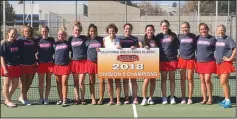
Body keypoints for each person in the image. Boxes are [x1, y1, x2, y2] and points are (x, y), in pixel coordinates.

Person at [156, 20, 179, 105]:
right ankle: (164, 97)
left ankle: (172, 97)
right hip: (162, 60)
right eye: (163, 26)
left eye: (166, 26)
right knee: (163, 79)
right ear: (161, 26)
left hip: (172, 60)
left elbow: (178, 45)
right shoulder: (158, 36)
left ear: (168, 26)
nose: (165, 27)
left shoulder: (173, 35)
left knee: (172, 79)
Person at [215, 24, 236, 108]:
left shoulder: (228, 39)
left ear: (225, 30)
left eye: (222, 30)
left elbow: (235, 48)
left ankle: (228, 101)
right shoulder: (218, 40)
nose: (220, 31)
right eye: (219, 30)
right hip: (219, 64)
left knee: (223, 82)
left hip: (225, 64)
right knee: (225, 83)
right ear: (217, 31)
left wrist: (230, 58)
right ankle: (227, 99)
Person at [196, 23, 216, 105]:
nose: (203, 30)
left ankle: (210, 98)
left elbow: (217, 49)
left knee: (207, 80)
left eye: (204, 29)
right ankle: (204, 98)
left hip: (209, 62)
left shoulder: (212, 39)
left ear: (207, 29)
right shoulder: (197, 38)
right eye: (201, 29)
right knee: (202, 81)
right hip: (199, 62)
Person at [68, 21, 88, 105]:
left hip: (83, 62)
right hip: (74, 62)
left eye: (79, 30)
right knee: (75, 82)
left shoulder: (84, 38)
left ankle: (83, 98)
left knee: (81, 82)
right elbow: (67, 49)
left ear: (81, 30)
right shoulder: (70, 39)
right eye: (76, 30)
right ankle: (77, 98)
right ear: (73, 30)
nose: (77, 31)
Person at [17, 25, 37, 106]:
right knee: (23, 82)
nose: (27, 33)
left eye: (28, 31)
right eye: (25, 31)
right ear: (23, 32)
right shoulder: (19, 40)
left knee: (29, 82)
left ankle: (21, 96)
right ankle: (25, 98)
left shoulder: (33, 40)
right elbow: (11, 43)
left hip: (32, 64)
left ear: (30, 32)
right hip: (22, 64)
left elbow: (35, 51)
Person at [177, 22, 197, 104]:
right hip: (182, 60)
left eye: (186, 27)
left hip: (191, 60)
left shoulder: (193, 36)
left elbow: (196, 47)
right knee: (182, 79)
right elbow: (177, 46)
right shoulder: (179, 36)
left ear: (189, 27)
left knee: (190, 79)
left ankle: (190, 98)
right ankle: (183, 97)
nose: (184, 29)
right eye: (183, 27)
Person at [0, 28, 20, 107]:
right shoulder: (4, 44)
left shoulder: (17, 43)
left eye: (15, 33)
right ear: (8, 33)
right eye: (12, 33)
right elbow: (2, 58)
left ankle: (7, 98)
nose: (14, 35)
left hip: (16, 66)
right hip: (7, 66)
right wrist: (4, 69)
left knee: (15, 84)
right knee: (7, 84)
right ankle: (8, 101)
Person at [103, 23, 121, 105]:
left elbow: (121, 48)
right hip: (107, 63)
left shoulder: (118, 39)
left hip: (117, 63)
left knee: (117, 81)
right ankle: (111, 100)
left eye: (113, 31)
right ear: (107, 32)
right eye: (110, 31)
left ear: (115, 31)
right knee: (109, 82)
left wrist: (120, 47)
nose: (111, 32)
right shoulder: (104, 39)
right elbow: (102, 49)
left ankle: (118, 100)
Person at [120, 23, 138, 104]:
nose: (128, 30)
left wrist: (135, 48)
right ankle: (126, 97)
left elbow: (139, 48)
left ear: (131, 30)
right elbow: (118, 46)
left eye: (129, 29)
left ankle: (135, 97)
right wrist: (118, 46)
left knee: (133, 80)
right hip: (123, 63)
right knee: (125, 80)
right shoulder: (121, 39)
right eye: (126, 29)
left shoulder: (135, 39)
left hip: (133, 62)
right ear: (124, 30)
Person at [139, 24, 157, 106]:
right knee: (146, 80)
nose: (150, 32)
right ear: (145, 31)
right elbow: (139, 51)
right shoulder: (142, 40)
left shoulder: (155, 40)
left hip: (154, 63)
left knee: (153, 81)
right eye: (148, 30)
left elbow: (157, 49)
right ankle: (144, 98)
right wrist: (143, 49)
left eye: (151, 30)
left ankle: (150, 98)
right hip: (145, 63)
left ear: (153, 31)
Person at [36, 26, 55, 105]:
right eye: (43, 31)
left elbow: (55, 50)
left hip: (50, 63)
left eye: (46, 31)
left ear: (48, 31)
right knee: (41, 82)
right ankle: (41, 98)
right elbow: (33, 51)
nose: (44, 33)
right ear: (41, 32)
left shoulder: (51, 40)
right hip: (41, 63)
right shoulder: (37, 40)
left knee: (48, 81)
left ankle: (46, 98)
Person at [86, 24, 103, 105]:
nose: (93, 32)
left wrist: (101, 49)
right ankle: (93, 98)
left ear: (96, 32)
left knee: (101, 81)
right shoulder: (87, 41)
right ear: (89, 32)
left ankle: (101, 98)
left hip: (100, 62)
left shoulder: (101, 39)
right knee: (92, 81)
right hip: (90, 62)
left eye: (94, 31)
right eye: (91, 31)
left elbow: (106, 48)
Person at [53, 27, 71, 107]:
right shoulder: (54, 44)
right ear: (57, 35)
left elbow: (74, 50)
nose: (61, 35)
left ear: (65, 35)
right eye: (59, 34)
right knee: (58, 83)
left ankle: (64, 100)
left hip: (66, 65)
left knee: (64, 83)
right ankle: (60, 99)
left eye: (63, 34)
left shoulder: (68, 43)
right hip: (57, 66)